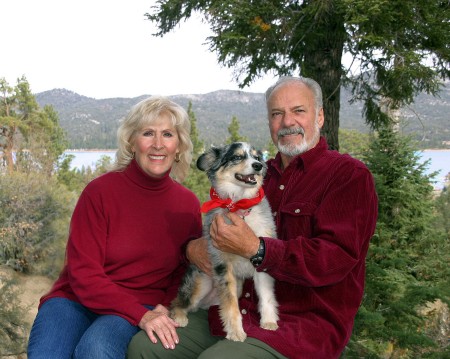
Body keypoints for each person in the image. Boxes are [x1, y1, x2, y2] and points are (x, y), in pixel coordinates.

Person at [127, 76, 378, 359]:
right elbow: (216, 241)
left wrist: (257, 249)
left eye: (298, 111)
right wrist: (193, 249)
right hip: (232, 310)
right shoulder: (254, 176)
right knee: (145, 349)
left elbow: (335, 258)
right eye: (277, 114)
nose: (287, 122)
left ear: (319, 116)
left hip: (300, 327)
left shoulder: (348, 176)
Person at [27, 96, 203, 359]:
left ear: (178, 147)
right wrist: (141, 315)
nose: (158, 144)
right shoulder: (99, 192)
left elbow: (184, 269)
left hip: (143, 303)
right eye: (147, 133)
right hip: (75, 300)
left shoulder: (187, 204)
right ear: (132, 142)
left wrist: (164, 307)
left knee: (95, 350)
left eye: (167, 134)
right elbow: (84, 273)